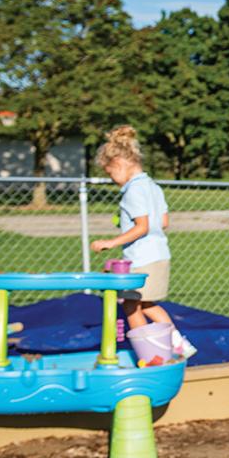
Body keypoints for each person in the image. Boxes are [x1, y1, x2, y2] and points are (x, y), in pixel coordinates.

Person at [90, 126, 175, 332]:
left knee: (131, 304)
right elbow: (163, 222)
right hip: (159, 254)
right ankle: (173, 344)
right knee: (145, 304)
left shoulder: (133, 192)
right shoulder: (153, 187)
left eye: (110, 173)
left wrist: (110, 243)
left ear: (118, 164)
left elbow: (142, 227)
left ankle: (156, 347)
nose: (111, 178)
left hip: (142, 259)